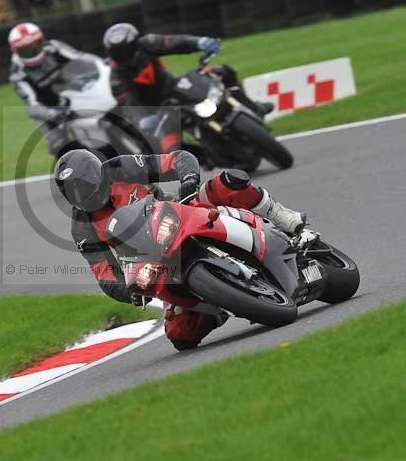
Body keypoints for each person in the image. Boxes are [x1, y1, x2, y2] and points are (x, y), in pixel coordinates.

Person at [54, 148, 305, 350]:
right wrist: (130, 292)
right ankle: (223, 302)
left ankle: (283, 217)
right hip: (158, 261)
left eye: (85, 184)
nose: (83, 194)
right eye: (74, 192)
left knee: (226, 183)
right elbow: (105, 275)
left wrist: (188, 181)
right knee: (179, 334)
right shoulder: (83, 229)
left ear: (98, 172)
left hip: (179, 214)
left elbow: (177, 159)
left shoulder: (121, 168)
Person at [102, 22, 273, 153]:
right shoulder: (116, 77)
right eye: (118, 52)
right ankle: (199, 158)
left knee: (223, 71)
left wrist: (200, 42)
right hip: (156, 112)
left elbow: (177, 43)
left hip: (174, 87)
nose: (124, 56)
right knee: (168, 149)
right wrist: (142, 120)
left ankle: (253, 107)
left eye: (126, 49)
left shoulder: (148, 43)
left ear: (135, 43)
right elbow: (129, 104)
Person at [9, 22, 90, 156]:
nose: (33, 52)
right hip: (48, 111)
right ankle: (74, 172)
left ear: (43, 41)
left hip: (72, 95)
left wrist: (102, 64)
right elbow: (32, 107)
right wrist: (54, 114)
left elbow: (81, 58)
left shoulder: (54, 47)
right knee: (60, 145)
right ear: (15, 51)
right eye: (26, 50)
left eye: (36, 46)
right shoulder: (17, 74)